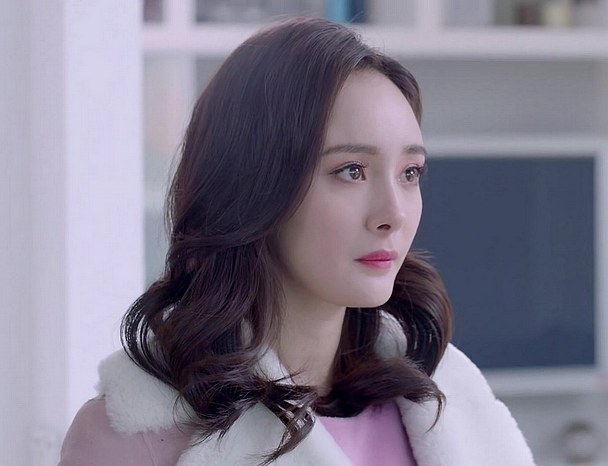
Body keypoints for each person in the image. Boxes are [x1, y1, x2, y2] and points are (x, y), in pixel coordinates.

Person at [58, 16, 534, 466]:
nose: (393, 214)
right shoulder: (136, 437)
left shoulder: (454, 405)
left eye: (410, 173)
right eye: (351, 170)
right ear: (253, 184)